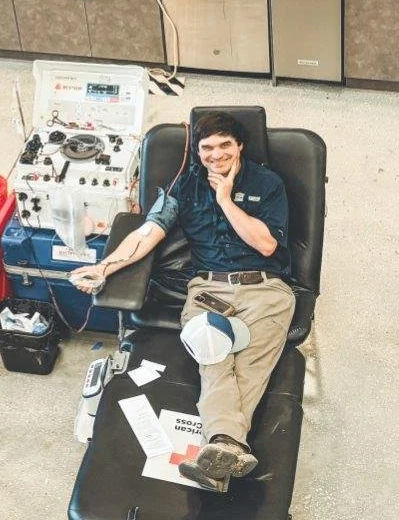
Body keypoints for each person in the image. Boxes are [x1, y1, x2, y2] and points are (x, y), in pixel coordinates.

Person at [71, 112, 295, 491]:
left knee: (250, 367)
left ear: (240, 146)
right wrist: (105, 268)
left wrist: (225, 199)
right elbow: (148, 232)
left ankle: (221, 448)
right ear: (198, 151)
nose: (216, 154)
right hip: (208, 290)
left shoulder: (267, 183)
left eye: (226, 145)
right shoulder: (185, 186)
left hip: (265, 289)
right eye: (207, 147)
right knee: (213, 352)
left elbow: (267, 244)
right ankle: (226, 446)